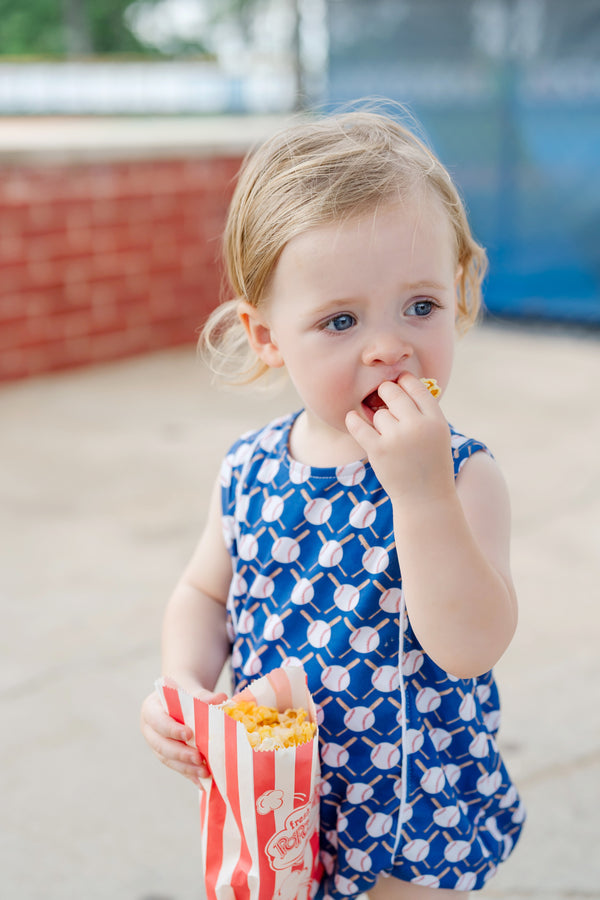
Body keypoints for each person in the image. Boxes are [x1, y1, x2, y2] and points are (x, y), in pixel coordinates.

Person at [140, 107, 525, 899]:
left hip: (410, 811)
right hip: (282, 794)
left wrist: (418, 494)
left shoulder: (460, 476)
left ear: (457, 295)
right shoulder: (247, 469)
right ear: (268, 336)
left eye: (419, 306)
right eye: (341, 320)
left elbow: (472, 645)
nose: (388, 346)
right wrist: (185, 682)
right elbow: (204, 593)